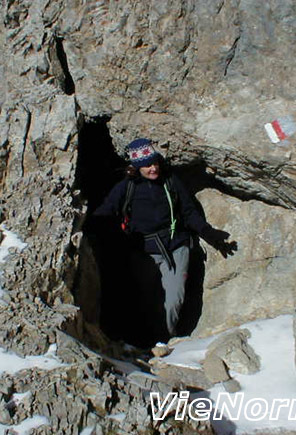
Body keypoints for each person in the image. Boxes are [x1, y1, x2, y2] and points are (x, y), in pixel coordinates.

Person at [92, 138, 236, 342]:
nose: (153, 168)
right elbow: (106, 211)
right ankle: (145, 343)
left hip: (176, 246)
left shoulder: (171, 181)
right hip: (144, 251)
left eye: (155, 163)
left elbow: (189, 212)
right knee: (147, 300)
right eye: (147, 165)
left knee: (173, 298)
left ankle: (165, 340)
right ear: (137, 167)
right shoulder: (126, 188)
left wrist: (212, 236)